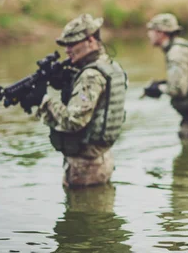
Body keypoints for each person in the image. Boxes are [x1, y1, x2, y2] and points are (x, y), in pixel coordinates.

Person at [20, 14, 128, 188]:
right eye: (65, 45)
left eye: (72, 44)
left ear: (91, 41)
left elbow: (74, 121)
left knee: (84, 215)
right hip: (101, 158)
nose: (67, 50)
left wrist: (43, 100)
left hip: (85, 168)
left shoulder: (90, 76)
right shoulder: (109, 65)